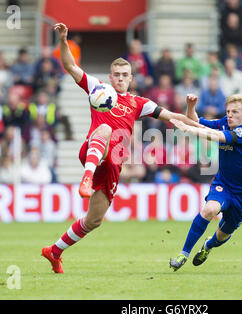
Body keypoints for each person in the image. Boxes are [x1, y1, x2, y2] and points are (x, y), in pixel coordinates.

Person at [41, 23, 203, 274]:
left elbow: (173, 117)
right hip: (94, 151)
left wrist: (191, 110)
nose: (119, 78)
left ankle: (55, 251)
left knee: (94, 220)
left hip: (113, 165)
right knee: (105, 131)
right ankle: (85, 179)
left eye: (124, 75)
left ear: (130, 78)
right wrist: (63, 40)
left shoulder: (140, 103)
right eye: (115, 74)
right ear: (110, 76)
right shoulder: (97, 89)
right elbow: (71, 66)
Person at [168, 93, 242, 271]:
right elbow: (195, 121)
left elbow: (217, 136)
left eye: (234, 111)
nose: (230, 115)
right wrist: (190, 106)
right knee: (210, 209)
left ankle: (207, 246)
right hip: (224, 184)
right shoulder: (224, 122)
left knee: (221, 235)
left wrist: (189, 130)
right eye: (228, 111)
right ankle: (183, 254)